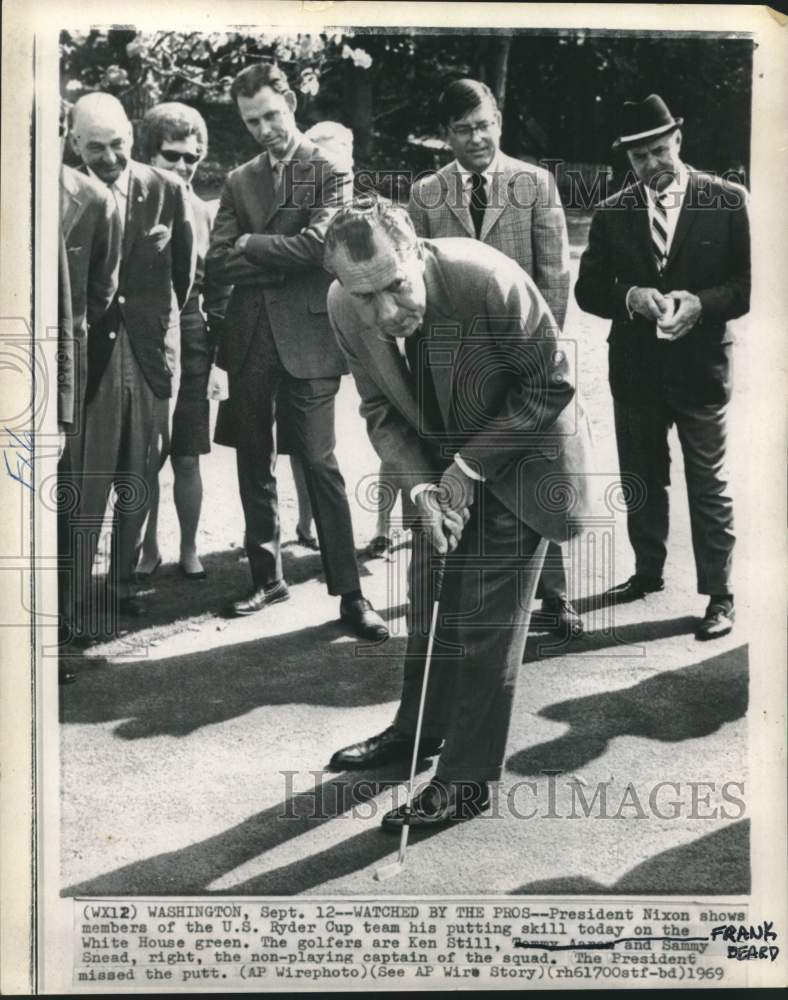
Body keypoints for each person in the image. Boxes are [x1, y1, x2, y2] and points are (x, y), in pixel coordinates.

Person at [324, 197, 593, 828]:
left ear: (416, 250)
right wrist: (421, 493)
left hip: (525, 464)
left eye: (395, 287)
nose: (385, 313)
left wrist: (468, 469)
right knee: (430, 601)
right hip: (439, 474)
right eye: (365, 297)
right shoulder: (342, 304)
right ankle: (419, 734)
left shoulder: (487, 279)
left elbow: (549, 385)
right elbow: (381, 410)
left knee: (480, 619)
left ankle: (467, 782)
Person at [205, 64, 387, 640]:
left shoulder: (328, 168)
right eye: (252, 121)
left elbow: (318, 249)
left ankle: (351, 593)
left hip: (310, 341)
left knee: (320, 463)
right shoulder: (239, 180)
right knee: (252, 459)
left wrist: (252, 245)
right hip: (249, 339)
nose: (264, 129)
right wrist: (261, 256)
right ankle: (267, 576)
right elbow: (217, 261)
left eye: (272, 116)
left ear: (292, 101)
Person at [408, 77, 583, 637]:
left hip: (527, 364)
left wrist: (533, 362)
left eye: (484, 125)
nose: (476, 137)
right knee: (472, 470)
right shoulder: (425, 195)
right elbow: (420, 287)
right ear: (446, 137)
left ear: (499, 123)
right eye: (463, 129)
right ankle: (472, 596)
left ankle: (553, 595)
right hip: (458, 370)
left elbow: (554, 279)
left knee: (537, 472)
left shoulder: (536, 184)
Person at [575, 94, 750, 640]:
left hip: (701, 371)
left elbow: (745, 287)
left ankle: (719, 594)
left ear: (679, 138)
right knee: (641, 479)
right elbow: (587, 289)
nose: (653, 164)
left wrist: (701, 304)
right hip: (636, 371)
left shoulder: (727, 200)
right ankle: (647, 571)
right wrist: (630, 296)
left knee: (708, 483)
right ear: (627, 161)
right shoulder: (611, 212)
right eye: (639, 157)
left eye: (659, 149)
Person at [68, 92, 195, 621]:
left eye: (118, 143)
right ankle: (70, 598)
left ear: (131, 133)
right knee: (84, 481)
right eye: (95, 147)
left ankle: (121, 584)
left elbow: (183, 276)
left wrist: (158, 333)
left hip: (147, 353)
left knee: (140, 476)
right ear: (75, 143)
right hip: (90, 354)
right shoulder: (67, 194)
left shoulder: (165, 189)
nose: (110, 156)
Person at [133, 102, 230, 582]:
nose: (183, 167)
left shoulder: (204, 210)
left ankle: (189, 547)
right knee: (146, 454)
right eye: (172, 156)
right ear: (151, 153)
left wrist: (216, 358)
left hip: (191, 331)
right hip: (140, 334)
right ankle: (146, 546)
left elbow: (216, 286)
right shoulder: (129, 200)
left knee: (188, 454)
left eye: (192, 158)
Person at [57, 98, 122, 665]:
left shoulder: (93, 200)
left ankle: (56, 625)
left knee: (58, 495)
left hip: (58, 372)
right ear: (72, 139)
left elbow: (100, 294)